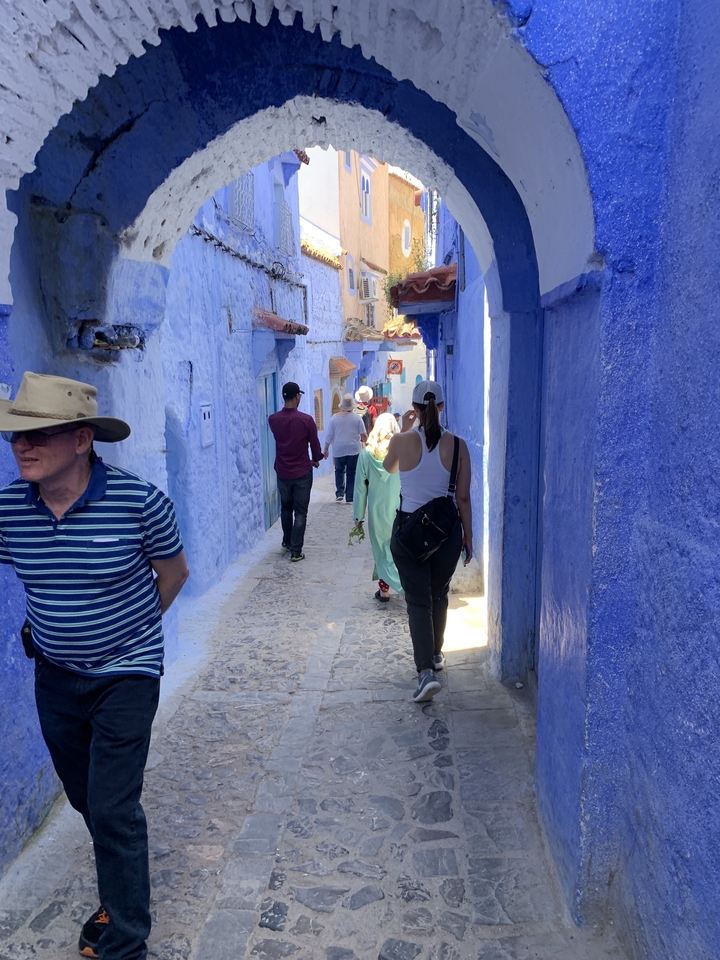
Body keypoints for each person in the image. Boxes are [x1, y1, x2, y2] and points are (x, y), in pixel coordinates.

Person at [0, 372, 190, 960]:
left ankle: (126, 941)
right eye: (15, 437)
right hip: (54, 675)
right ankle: (118, 887)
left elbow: (173, 573)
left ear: (83, 440)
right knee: (86, 797)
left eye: (40, 435)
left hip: (126, 673)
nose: (22, 447)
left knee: (112, 808)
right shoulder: (8, 509)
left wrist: (127, 635)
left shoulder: (139, 502)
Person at [384, 380, 472, 703]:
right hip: (447, 534)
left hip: (410, 534)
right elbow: (462, 497)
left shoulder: (401, 441)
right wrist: (469, 538)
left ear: (416, 409)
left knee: (418, 600)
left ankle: (425, 674)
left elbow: (388, 467)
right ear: (442, 407)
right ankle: (435, 654)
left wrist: (405, 429)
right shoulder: (460, 446)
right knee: (439, 592)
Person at [352, 412, 403, 602]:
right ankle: (389, 588)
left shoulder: (366, 454)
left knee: (381, 550)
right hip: (400, 508)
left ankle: (391, 589)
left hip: (376, 511)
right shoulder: (402, 453)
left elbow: (359, 488)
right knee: (398, 550)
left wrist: (358, 517)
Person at [268, 381, 322, 561]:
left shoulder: (273, 420)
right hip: (302, 473)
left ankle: (287, 542)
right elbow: (314, 447)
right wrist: (316, 459)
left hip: (283, 471)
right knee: (300, 512)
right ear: (297, 396)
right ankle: (296, 551)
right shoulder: (306, 420)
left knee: (286, 508)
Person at [323, 394, 367, 503]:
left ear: (342, 406)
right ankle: (350, 496)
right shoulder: (357, 418)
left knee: (339, 471)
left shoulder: (334, 418)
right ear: (352, 407)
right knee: (351, 472)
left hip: (339, 449)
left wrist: (326, 449)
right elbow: (364, 435)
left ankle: (339, 493)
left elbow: (329, 435)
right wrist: (367, 442)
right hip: (353, 449)